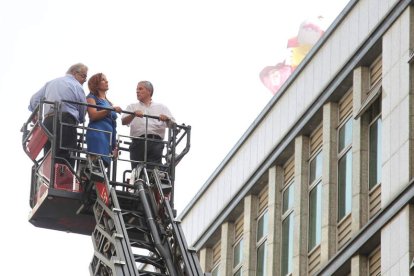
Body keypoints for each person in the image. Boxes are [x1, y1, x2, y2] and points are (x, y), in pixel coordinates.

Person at [28, 63, 88, 168]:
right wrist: (81, 118)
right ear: (75, 73)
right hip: (66, 121)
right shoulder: (77, 86)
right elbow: (82, 108)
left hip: (47, 122)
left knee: (49, 154)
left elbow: (34, 100)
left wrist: (36, 115)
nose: (85, 80)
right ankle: (63, 181)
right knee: (66, 156)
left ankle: (49, 178)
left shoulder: (51, 83)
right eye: (84, 76)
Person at [122, 81, 175, 169]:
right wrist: (133, 114)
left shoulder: (161, 107)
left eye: (140, 89)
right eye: (137, 89)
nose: (137, 91)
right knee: (137, 172)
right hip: (138, 142)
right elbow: (123, 121)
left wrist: (167, 119)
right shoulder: (132, 107)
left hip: (156, 143)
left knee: (153, 171)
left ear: (149, 91)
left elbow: (173, 124)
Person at [85, 73, 122, 167]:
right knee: (96, 165)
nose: (106, 81)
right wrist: (111, 109)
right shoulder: (91, 98)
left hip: (108, 137)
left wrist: (114, 146)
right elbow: (92, 115)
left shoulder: (108, 102)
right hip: (97, 134)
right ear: (96, 84)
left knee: (102, 167)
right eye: (103, 80)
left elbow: (113, 125)